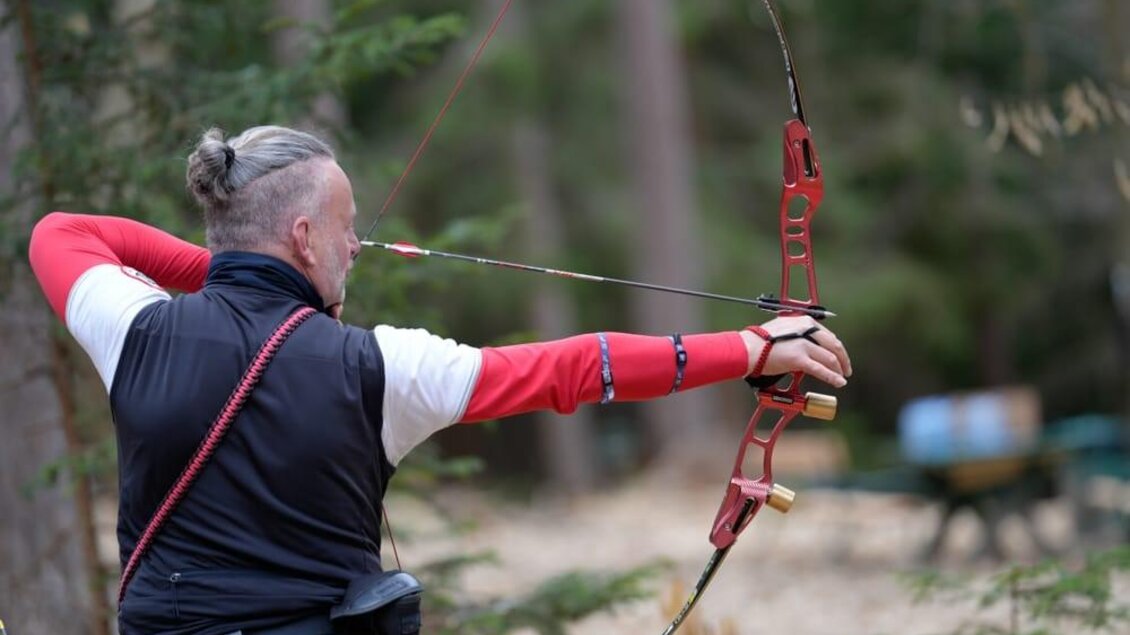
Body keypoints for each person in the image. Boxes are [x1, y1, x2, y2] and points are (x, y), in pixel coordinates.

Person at [28, 125, 851, 635]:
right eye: (347, 230)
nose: (356, 247)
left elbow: (61, 232)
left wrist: (226, 274)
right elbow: (574, 369)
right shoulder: (382, 368)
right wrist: (751, 347)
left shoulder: (133, 330)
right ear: (305, 237)